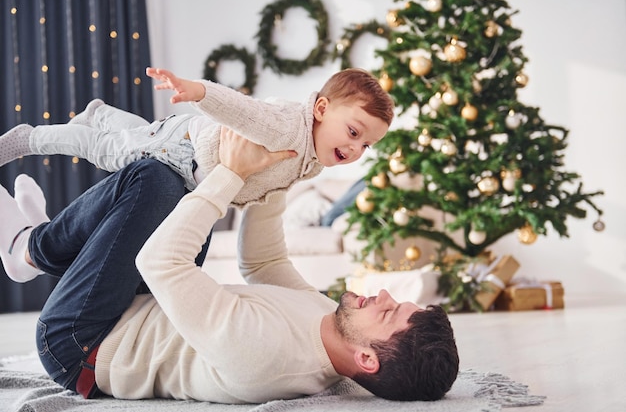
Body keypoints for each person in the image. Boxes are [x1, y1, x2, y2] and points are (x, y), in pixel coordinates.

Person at [0, 129, 459, 403]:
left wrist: (233, 176)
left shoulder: (266, 356)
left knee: (157, 178)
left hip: (82, 347)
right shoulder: (330, 326)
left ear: (366, 359)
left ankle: (29, 249)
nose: (381, 295)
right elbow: (263, 262)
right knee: (183, 182)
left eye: (386, 313)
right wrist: (285, 171)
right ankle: (46, 244)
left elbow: (160, 263)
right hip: (136, 308)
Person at [0, 66, 394, 202]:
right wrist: (198, 91)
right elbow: (244, 110)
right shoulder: (289, 126)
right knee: (108, 153)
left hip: (182, 143)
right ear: (322, 110)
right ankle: (29, 138)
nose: (357, 148)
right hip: (182, 151)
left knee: (142, 134)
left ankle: (101, 114)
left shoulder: (312, 159)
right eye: (354, 132)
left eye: (367, 144)